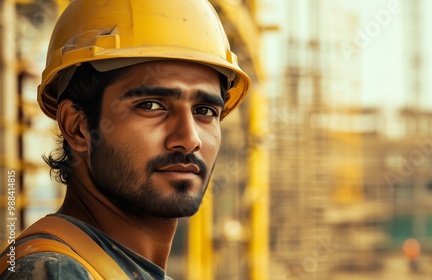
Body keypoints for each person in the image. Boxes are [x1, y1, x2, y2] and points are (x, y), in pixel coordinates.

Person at [0, 0, 250, 279]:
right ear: (77, 126)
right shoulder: (56, 271)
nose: (190, 139)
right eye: (152, 106)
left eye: (204, 111)